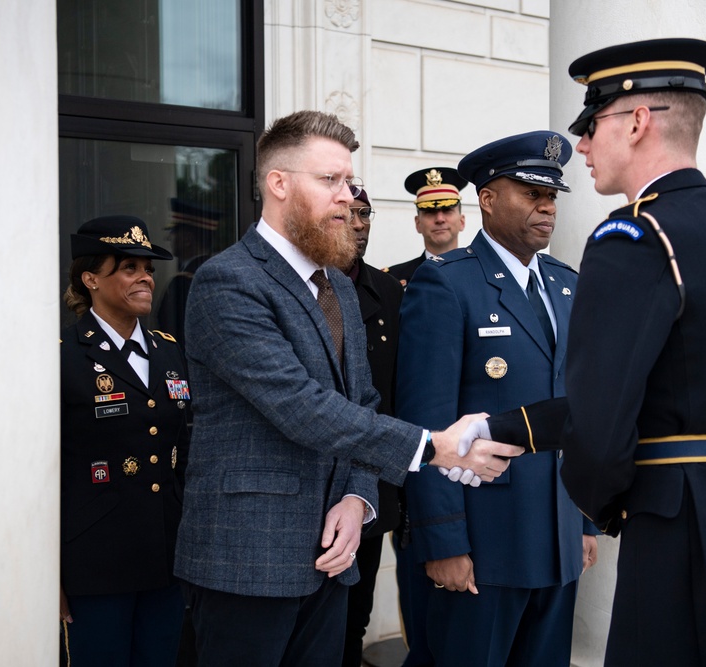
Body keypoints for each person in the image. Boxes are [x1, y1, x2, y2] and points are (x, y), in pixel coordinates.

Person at [461, 38, 706, 666]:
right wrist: (499, 427)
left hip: (680, 531)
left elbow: (604, 421)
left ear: (635, 122)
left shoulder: (633, 236)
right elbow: (672, 390)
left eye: (589, 124)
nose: (579, 144)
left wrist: (604, 504)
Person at [171, 110, 522, 667]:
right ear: (279, 184)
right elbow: (302, 408)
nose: (346, 195)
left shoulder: (336, 281)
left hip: (334, 554)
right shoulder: (228, 281)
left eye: (348, 180)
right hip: (248, 558)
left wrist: (358, 499)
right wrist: (433, 446)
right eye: (329, 180)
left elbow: (361, 401)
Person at [394, 131, 600, 667]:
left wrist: (581, 521)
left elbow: (576, 411)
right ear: (487, 199)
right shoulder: (446, 285)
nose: (546, 206)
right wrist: (443, 542)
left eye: (552, 196)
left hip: (556, 538)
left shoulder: (566, 286)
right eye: (531, 193)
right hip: (484, 544)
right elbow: (425, 423)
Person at [59, 214, 191, 667]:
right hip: (94, 565)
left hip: (165, 558)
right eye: (130, 268)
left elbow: (184, 453)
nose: (146, 279)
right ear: (91, 278)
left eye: (149, 269)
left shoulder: (170, 349)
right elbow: (43, 472)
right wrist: (50, 572)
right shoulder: (62, 355)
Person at [335, 189, 406, 666]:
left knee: (355, 612)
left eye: (365, 214)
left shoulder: (389, 290)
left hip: (371, 478)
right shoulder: (298, 287)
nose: (359, 224)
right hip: (309, 477)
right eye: (347, 215)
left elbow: (399, 392)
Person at [385, 167, 467, 287]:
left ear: (462, 221)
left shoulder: (485, 273)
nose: (439, 219)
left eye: (447, 210)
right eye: (430, 211)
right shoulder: (393, 279)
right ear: (418, 223)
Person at [156, 198, 219, 348]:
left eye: (173, 232)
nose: (168, 238)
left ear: (187, 240)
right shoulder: (216, 273)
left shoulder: (184, 282)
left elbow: (171, 331)